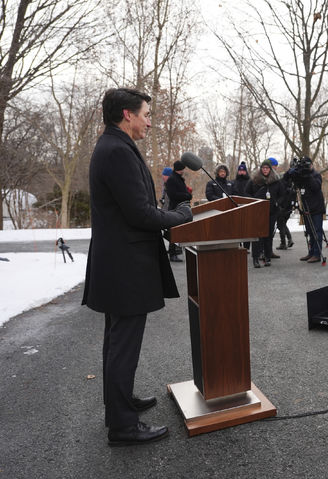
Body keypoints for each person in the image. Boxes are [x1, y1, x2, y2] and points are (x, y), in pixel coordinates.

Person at [82, 88, 192, 446]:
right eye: (146, 113)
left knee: (118, 342)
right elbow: (140, 213)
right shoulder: (115, 150)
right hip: (124, 267)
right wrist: (180, 216)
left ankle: (120, 404)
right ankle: (123, 426)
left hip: (119, 264)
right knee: (122, 344)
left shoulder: (114, 146)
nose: (149, 120)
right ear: (127, 114)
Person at [245, 159, 286, 268]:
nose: (265, 170)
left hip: (271, 211)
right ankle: (256, 258)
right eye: (263, 168)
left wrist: (277, 203)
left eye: (267, 168)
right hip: (257, 211)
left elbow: (282, 195)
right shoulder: (254, 180)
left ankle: (267, 257)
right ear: (261, 169)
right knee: (257, 236)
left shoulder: (276, 181)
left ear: (270, 169)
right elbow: (246, 193)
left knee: (268, 235)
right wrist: (253, 200)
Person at [287, 156, 325, 263]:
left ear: (312, 165)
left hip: (316, 208)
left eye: (308, 165)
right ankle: (311, 252)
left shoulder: (316, 175)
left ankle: (317, 254)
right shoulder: (302, 175)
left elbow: (316, 187)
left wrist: (308, 175)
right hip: (306, 207)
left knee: (317, 231)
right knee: (309, 232)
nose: (307, 167)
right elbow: (296, 185)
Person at [165, 160, 193, 262]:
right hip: (175, 208)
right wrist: (187, 196)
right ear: (179, 169)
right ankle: (172, 253)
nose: (183, 171)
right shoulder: (172, 179)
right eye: (182, 169)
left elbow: (184, 191)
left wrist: (188, 194)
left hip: (181, 207)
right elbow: (173, 195)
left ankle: (176, 252)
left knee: (179, 230)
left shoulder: (179, 179)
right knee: (174, 231)